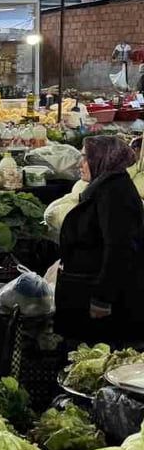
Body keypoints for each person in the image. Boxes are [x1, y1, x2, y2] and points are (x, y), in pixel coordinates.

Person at [56, 135, 144, 346]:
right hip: (85, 290)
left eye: (86, 157)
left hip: (102, 303)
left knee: (94, 355)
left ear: (102, 159)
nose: (80, 163)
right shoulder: (105, 187)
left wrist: (102, 300)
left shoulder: (114, 194)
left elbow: (119, 250)